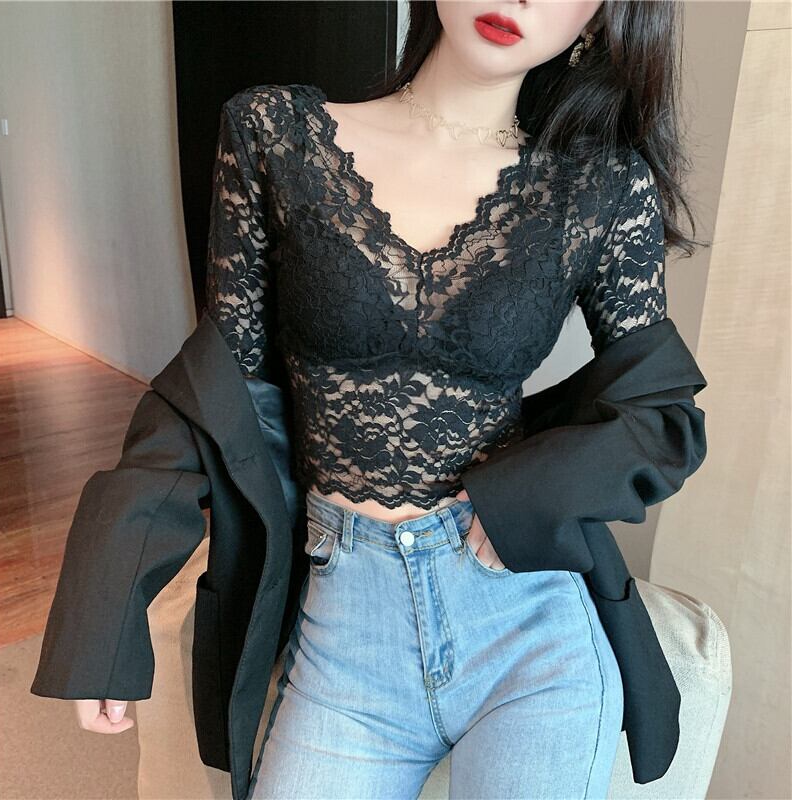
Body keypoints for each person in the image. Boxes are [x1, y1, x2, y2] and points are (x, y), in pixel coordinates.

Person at [52, 1, 707, 798]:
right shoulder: (275, 134)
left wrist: (533, 496)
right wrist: (106, 597)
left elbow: (663, 414)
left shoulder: (600, 189)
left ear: (601, 18)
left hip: (527, 624)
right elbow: (215, 389)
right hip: (346, 629)